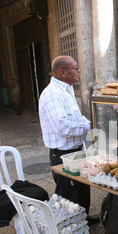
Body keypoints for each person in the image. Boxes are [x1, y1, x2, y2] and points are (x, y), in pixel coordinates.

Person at [39, 55, 96, 223]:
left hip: (76, 149)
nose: (78, 71)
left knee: (82, 187)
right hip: (62, 153)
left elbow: (76, 118)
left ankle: (82, 219)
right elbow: (63, 126)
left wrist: (89, 122)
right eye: (75, 68)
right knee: (68, 192)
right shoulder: (53, 94)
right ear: (63, 72)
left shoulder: (67, 89)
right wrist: (89, 127)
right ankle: (69, 229)